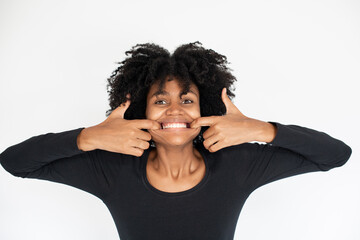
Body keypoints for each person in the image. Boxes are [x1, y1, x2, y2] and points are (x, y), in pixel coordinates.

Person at [0, 42, 352, 240]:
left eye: (187, 100)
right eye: (159, 100)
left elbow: (336, 155)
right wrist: (90, 137)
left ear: (206, 110)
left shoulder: (237, 163)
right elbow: (15, 162)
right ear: (140, 109)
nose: (174, 111)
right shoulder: (112, 167)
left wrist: (260, 129)